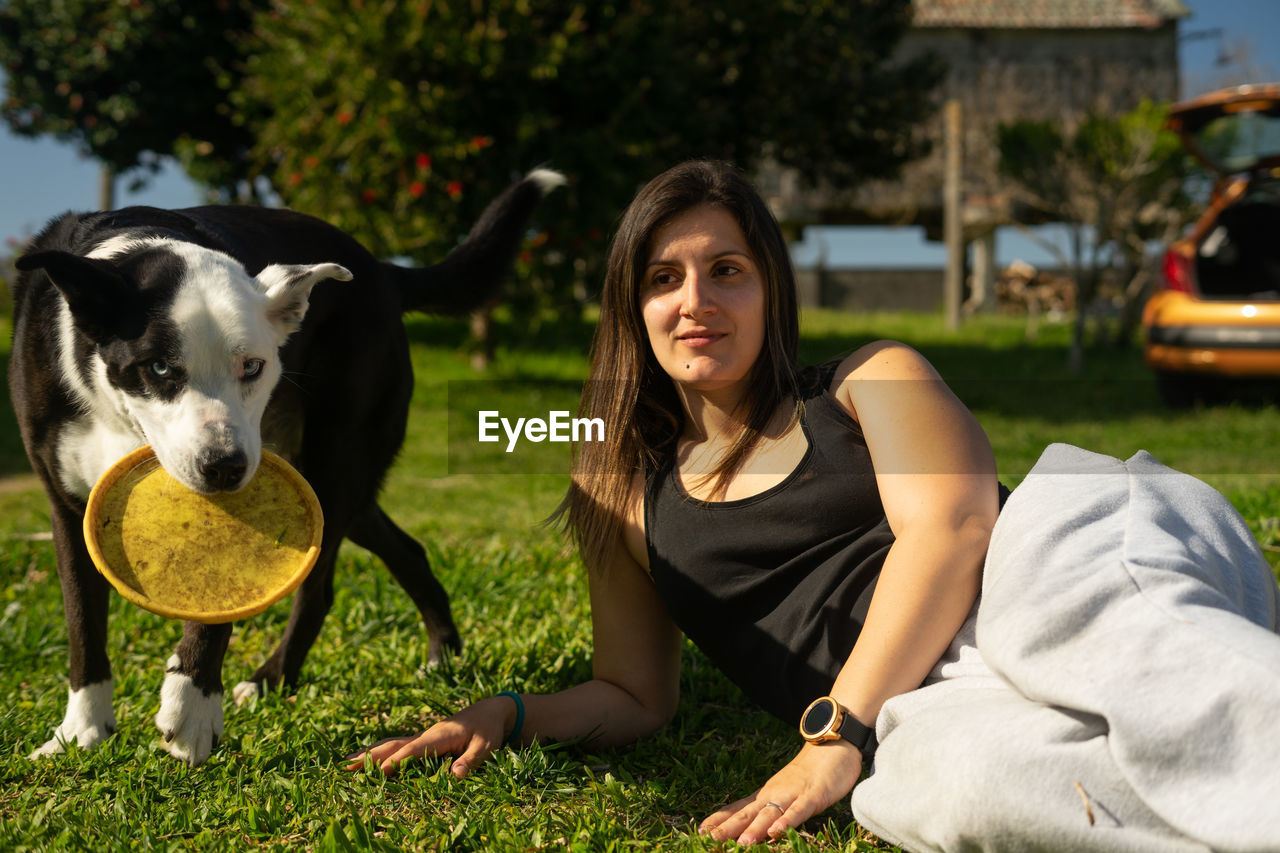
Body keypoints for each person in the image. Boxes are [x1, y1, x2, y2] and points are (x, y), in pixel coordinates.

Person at [346, 160, 1280, 852]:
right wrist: (506, 713)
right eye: (663, 278)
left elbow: (956, 530)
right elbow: (633, 694)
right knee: (962, 790)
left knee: (1105, 643)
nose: (695, 301)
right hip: (921, 696)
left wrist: (836, 732)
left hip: (1048, 556)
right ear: (631, 308)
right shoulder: (615, 480)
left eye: (728, 270)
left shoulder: (872, 380)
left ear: (771, 291)